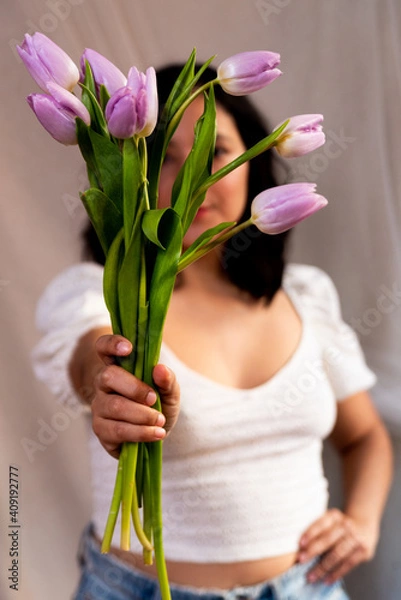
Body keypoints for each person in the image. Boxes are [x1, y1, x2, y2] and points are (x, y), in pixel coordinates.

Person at [32, 65, 393, 600]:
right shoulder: (102, 298)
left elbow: (364, 436)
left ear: (255, 164)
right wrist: (111, 387)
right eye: (163, 157)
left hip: (307, 589)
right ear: (131, 171)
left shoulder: (304, 297)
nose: (189, 179)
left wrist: (362, 521)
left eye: (215, 152)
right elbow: (93, 360)